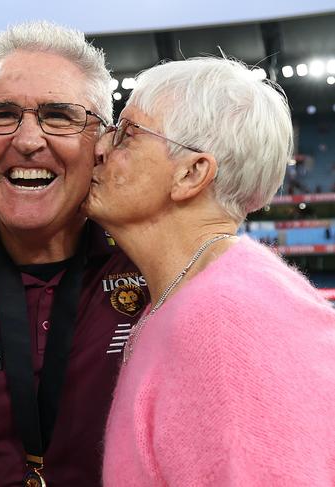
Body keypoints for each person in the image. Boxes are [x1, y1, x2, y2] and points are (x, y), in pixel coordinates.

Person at [0, 21, 147, 487]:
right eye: (2, 114)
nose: (26, 140)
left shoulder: (152, 272)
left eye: (58, 116)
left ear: (101, 140)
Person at [85, 57, 335, 486]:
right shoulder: (196, 296)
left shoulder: (226, 317)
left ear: (192, 173)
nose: (101, 148)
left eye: (127, 134)